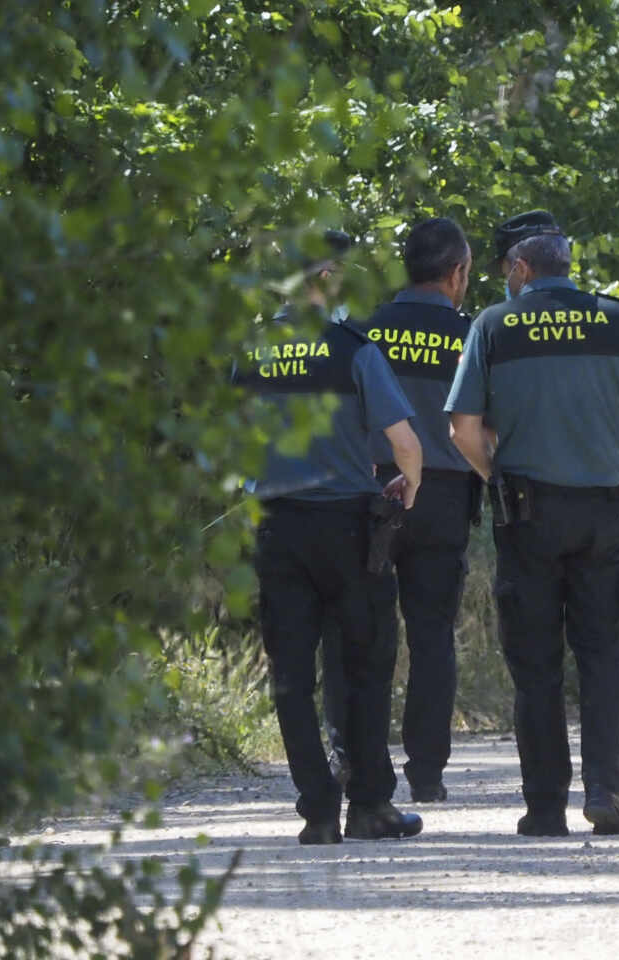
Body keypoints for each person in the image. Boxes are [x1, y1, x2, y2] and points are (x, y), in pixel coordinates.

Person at [446, 210, 619, 836]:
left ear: (521, 270)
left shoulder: (494, 325)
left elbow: (461, 428)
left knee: (536, 665)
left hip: (527, 512)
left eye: (508, 270)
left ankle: (545, 805)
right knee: (602, 659)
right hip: (605, 510)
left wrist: (495, 475)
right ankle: (605, 793)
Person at [233, 230, 425, 843]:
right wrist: (409, 487)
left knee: (291, 671)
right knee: (366, 665)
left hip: (277, 527)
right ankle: (369, 805)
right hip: (348, 528)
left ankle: (317, 811)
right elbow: (404, 442)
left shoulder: (252, 352)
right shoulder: (353, 349)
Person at [320, 218, 480, 803]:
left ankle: (350, 759)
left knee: (355, 631)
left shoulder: (363, 330)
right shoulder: (471, 337)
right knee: (432, 633)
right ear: (458, 272)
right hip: (442, 495)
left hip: (367, 492)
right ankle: (427, 772)